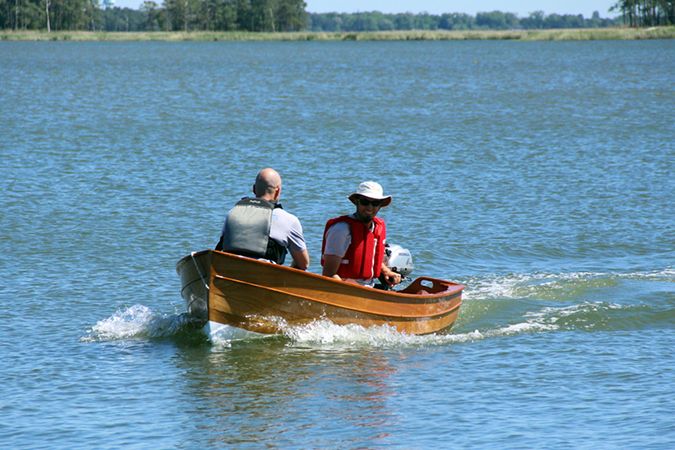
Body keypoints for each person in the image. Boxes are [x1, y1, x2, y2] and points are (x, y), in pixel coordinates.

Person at [215, 168, 310, 270]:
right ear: (277, 191)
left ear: (254, 189)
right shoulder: (289, 220)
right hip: (264, 275)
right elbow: (304, 264)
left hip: (228, 270)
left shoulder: (233, 212)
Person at [321, 181, 401, 287]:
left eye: (375, 203)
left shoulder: (376, 228)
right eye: (365, 202)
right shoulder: (341, 230)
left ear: (380, 206)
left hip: (369, 287)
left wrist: (386, 271)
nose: (369, 207)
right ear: (357, 202)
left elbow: (369, 258)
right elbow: (328, 274)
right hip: (344, 288)